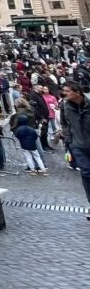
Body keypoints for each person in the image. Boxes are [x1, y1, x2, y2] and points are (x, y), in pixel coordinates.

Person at [56, 82, 90, 217]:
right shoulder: (65, 106)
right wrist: (69, 139)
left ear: (78, 92)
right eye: (64, 91)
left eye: (68, 91)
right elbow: (64, 123)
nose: (65, 93)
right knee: (87, 173)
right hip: (78, 145)